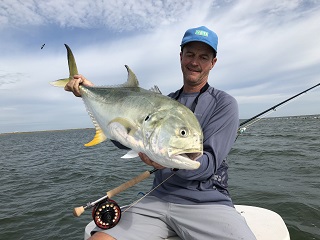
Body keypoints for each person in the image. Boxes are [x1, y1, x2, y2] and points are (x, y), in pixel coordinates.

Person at [65, 26, 256, 240]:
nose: (195, 62)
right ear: (181, 57)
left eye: (203, 57)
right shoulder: (165, 102)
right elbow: (127, 141)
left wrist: (167, 161)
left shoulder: (224, 104)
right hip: (157, 199)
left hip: (206, 202)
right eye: (190, 54)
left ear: (213, 63)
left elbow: (208, 164)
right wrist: (88, 90)